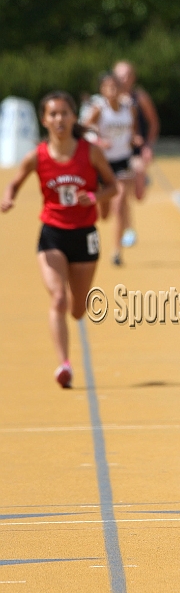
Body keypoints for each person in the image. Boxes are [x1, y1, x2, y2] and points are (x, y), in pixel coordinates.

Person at [1, 91, 117, 388]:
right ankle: (64, 364)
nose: (59, 119)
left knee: (78, 308)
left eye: (64, 113)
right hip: (52, 233)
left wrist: (93, 197)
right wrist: (8, 198)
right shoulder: (37, 156)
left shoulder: (90, 152)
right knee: (58, 298)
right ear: (44, 120)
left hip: (85, 235)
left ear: (73, 117)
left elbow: (113, 187)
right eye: (53, 114)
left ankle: (76, 315)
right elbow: (13, 183)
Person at [84, 72, 141, 265]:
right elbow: (84, 128)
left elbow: (132, 130)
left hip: (122, 161)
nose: (112, 91)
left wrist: (135, 139)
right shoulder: (99, 109)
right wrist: (99, 140)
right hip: (103, 163)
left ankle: (116, 251)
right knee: (105, 213)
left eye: (115, 87)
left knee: (119, 203)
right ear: (102, 90)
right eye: (108, 87)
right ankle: (103, 204)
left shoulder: (129, 108)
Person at [113, 60, 160, 246]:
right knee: (120, 196)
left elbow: (153, 122)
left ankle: (139, 180)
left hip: (136, 151)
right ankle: (127, 231)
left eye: (127, 75)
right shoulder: (108, 100)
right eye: (120, 75)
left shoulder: (139, 97)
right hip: (118, 155)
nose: (123, 79)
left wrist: (148, 145)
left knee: (137, 195)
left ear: (133, 77)